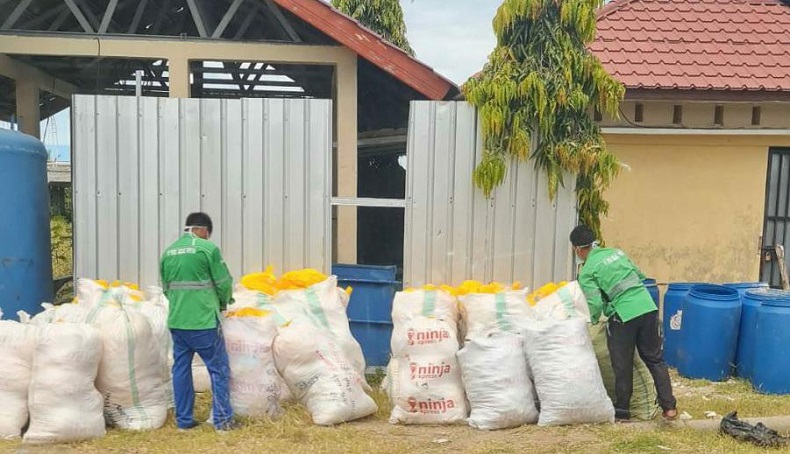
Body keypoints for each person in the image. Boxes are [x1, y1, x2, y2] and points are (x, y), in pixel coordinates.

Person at [570, 225, 678, 422]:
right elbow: (640, 275)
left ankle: (622, 412)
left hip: (624, 315)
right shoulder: (617, 253)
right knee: (655, 359)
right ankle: (669, 408)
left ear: (577, 249)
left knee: (622, 365)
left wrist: (592, 321)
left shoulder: (587, 271)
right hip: (647, 306)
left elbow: (594, 302)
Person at [160, 212, 237, 431]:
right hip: (203, 322)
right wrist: (224, 302)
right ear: (203, 230)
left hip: (177, 321)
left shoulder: (168, 252)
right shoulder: (207, 249)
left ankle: (184, 421)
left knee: (181, 369)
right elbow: (223, 283)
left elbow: (166, 288)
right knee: (218, 368)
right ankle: (223, 421)